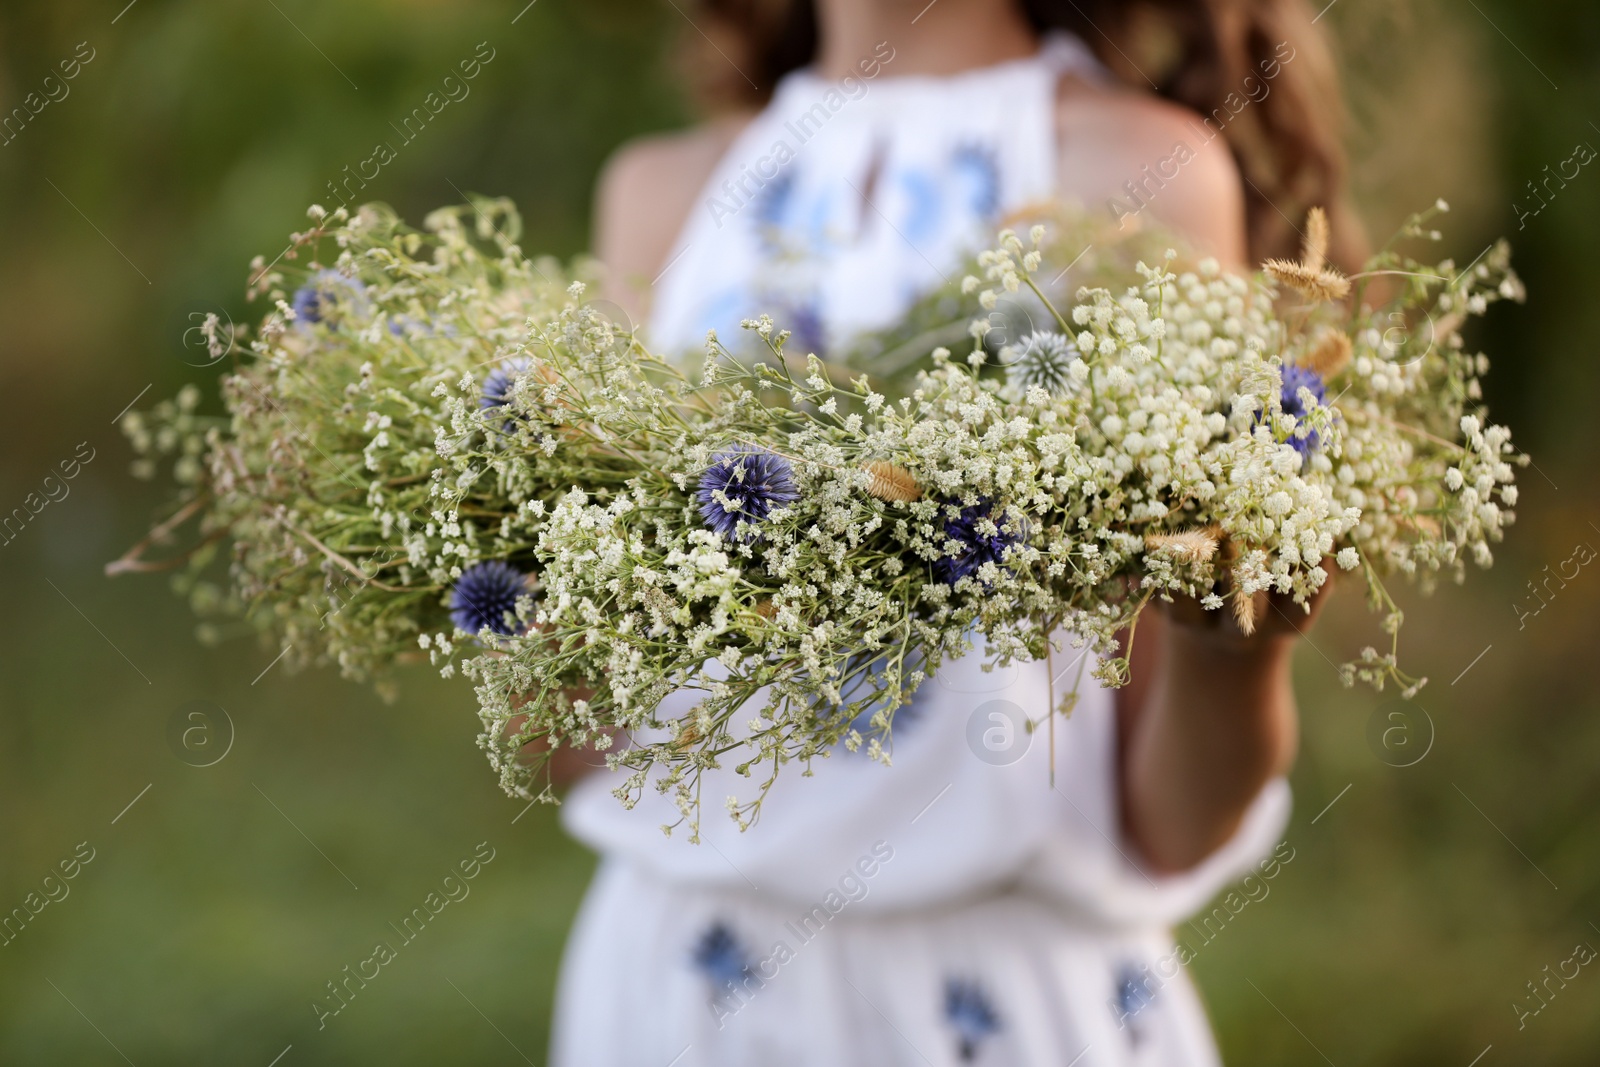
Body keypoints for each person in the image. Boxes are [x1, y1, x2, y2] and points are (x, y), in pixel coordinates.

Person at [552, 1, 1351, 1063]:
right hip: (685, 990)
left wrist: (1239, 646)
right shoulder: (661, 193)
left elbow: (1172, 818)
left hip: (1001, 1003)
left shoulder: (1141, 172)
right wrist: (495, 569)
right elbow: (583, 751)